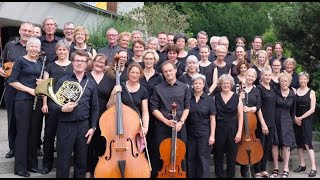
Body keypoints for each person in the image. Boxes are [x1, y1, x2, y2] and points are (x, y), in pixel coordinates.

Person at [50, 50, 99, 178]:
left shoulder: (91, 83)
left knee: (81, 162)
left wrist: (93, 127)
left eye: (82, 61)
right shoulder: (62, 81)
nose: (79, 63)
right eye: (77, 60)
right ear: (72, 62)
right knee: (63, 161)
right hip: (65, 126)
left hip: (83, 126)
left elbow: (94, 108)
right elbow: (52, 105)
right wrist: (62, 109)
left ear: (87, 64)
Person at [8, 37, 44, 177]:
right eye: (32, 46)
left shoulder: (40, 62)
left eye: (37, 46)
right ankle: (20, 167)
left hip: (37, 101)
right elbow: (12, 81)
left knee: (34, 133)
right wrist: (29, 90)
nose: (34, 49)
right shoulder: (20, 61)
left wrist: (41, 82)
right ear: (27, 47)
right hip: (23, 100)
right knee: (22, 132)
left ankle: (32, 165)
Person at [149, 60, 191, 177]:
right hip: (163, 126)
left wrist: (181, 122)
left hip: (179, 127)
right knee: (161, 155)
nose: (168, 73)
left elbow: (187, 107)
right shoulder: (158, 88)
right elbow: (154, 108)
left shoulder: (184, 87)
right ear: (162, 73)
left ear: (175, 70)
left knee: (180, 155)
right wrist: (166, 121)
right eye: (165, 72)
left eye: (170, 70)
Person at [0, 22, 34, 159]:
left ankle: (29, 147)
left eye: (29, 31)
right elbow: (2, 60)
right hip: (11, 88)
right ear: (19, 31)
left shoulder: (35, 47)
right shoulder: (10, 45)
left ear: (32, 33)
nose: (26, 33)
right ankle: (13, 148)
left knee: (29, 120)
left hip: (28, 89)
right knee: (12, 119)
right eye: (24, 30)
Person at [40, 39, 73, 175]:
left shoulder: (73, 65)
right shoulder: (50, 66)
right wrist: (45, 104)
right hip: (53, 105)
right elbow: (45, 87)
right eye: (59, 49)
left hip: (68, 106)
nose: (62, 52)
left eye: (64, 49)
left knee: (64, 138)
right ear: (56, 51)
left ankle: (61, 164)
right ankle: (46, 165)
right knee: (49, 135)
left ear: (68, 51)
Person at [85, 53, 116, 178]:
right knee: (87, 145)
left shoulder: (110, 80)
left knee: (101, 144)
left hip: (104, 117)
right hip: (87, 115)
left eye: (102, 63)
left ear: (105, 66)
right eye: (97, 61)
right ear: (93, 62)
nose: (99, 64)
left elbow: (112, 101)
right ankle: (87, 171)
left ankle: (99, 171)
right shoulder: (85, 77)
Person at [107, 62, 149, 139]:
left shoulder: (143, 90)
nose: (134, 75)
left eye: (137, 73)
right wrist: (113, 94)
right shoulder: (120, 86)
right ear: (128, 73)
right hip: (120, 122)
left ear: (140, 74)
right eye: (132, 72)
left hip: (136, 125)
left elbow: (145, 112)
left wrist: (145, 127)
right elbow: (109, 107)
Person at [139, 49, 164, 178]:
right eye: (146, 58)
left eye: (151, 59)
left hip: (155, 116)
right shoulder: (138, 75)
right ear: (143, 60)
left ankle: (153, 173)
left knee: (154, 147)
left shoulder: (159, 77)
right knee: (139, 146)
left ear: (155, 60)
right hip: (138, 116)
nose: (148, 61)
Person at [186, 74, 216, 178]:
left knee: (203, 159)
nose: (198, 85)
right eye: (196, 83)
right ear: (192, 85)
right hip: (190, 134)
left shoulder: (209, 99)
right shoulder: (188, 99)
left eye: (200, 83)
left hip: (204, 134)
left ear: (203, 85)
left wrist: (212, 136)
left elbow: (212, 119)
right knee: (191, 158)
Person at [214, 74, 243, 178]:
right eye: (223, 83)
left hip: (233, 129)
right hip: (219, 129)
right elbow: (213, 116)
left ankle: (230, 176)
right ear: (220, 85)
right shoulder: (215, 98)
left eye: (228, 83)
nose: (226, 85)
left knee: (232, 156)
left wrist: (239, 132)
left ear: (231, 84)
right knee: (218, 155)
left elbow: (240, 116)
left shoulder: (237, 97)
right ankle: (219, 176)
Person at [270, 72, 296, 178]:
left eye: (286, 81)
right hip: (275, 119)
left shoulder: (292, 94)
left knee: (286, 145)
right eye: (282, 81)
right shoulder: (275, 92)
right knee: (275, 144)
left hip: (287, 121)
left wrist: (291, 122)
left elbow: (293, 111)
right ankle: (275, 168)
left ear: (289, 82)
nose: (284, 83)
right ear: (279, 82)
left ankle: (285, 168)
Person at [237, 68, 262, 178]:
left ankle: (252, 168)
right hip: (240, 121)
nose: (250, 78)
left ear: (255, 78)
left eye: (252, 76)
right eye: (248, 75)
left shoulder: (256, 91)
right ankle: (243, 168)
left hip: (251, 120)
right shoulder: (239, 89)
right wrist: (239, 98)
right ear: (245, 75)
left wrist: (250, 109)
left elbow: (258, 106)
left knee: (251, 142)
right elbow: (234, 102)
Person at [293, 72, 317, 177]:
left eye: (304, 79)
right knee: (299, 143)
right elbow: (292, 106)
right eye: (300, 79)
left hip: (306, 120)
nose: (302, 81)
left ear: (307, 80)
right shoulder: (295, 91)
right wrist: (295, 118)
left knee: (307, 143)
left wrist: (301, 118)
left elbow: (312, 109)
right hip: (296, 120)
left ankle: (313, 167)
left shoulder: (311, 92)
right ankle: (302, 165)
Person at [255, 67, 277, 178]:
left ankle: (263, 169)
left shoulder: (272, 88)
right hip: (262, 123)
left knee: (267, 147)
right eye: (266, 75)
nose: (268, 77)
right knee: (260, 146)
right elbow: (258, 108)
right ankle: (257, 170)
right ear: (262, 76)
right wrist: (263, 123)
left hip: (271, 122)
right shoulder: (259, 88)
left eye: (269, 75)